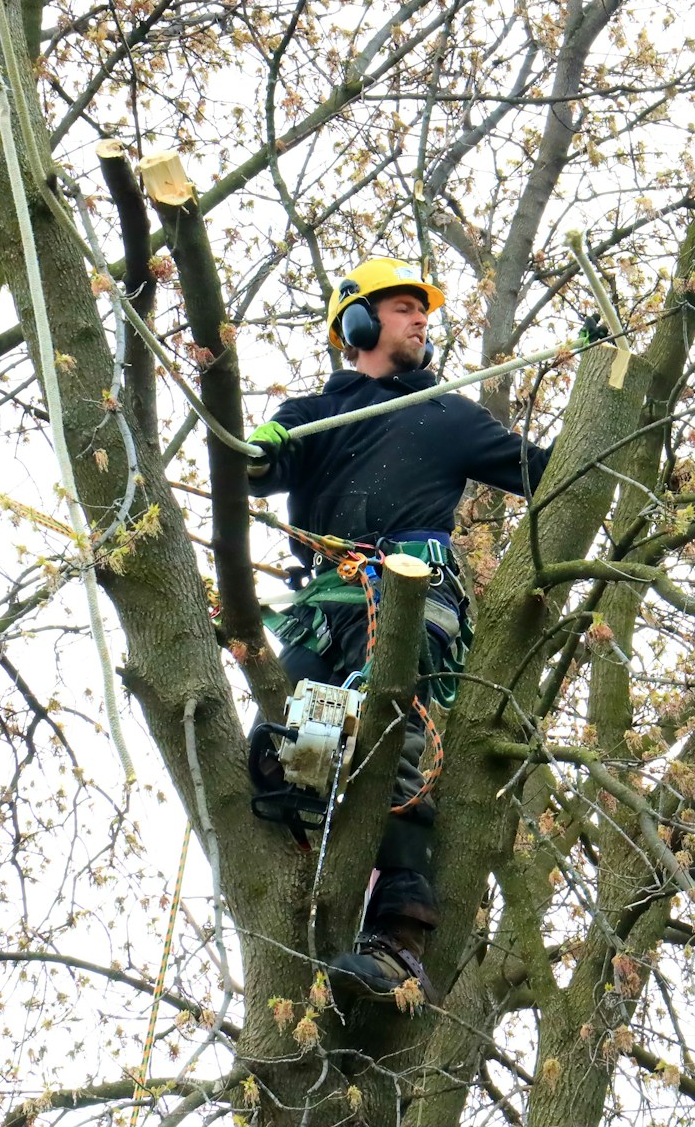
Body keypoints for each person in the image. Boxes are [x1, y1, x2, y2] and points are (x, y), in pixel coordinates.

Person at [245, 255, 573, 1005]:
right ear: (356, 325)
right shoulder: (318, 415)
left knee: (393, 740)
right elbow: (264, 459)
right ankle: (313, 893)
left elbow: (550, 471)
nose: (420, 319)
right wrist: (260, 445)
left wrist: (609, 385)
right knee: (296, 739)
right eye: (401, 309)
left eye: (421, 310)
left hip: (407, 595)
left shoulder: (448, 417)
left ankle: (398, 940)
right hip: (325, 605)